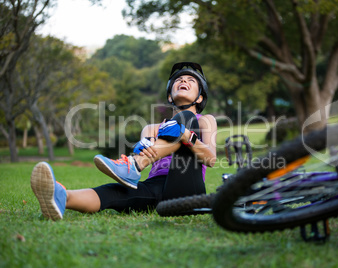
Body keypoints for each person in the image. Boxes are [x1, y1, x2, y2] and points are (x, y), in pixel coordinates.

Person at [30, 62, 217, 220]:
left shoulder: (206, 121)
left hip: (189, 190)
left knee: (185, 119)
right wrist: (143, 149)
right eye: (179, 80)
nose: (183, 81)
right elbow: (147, 149)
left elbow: (211, 159)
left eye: (191, 80)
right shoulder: (151, 129)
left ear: (200, 97)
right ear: (169, 96)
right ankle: (61, 197)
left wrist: (186, 135)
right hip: (158, 188)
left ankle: (133, 166)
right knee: (115, 192)